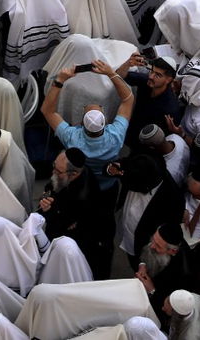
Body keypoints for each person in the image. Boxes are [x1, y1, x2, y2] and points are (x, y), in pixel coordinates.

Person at [43, 58, 135, 277]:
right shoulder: (115, 136)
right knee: (103, 220)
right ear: (105, 122)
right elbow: (128, 99)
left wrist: (60, 81)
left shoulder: (72, 138)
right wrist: (111, 74)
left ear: (82, 123)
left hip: (80, 188)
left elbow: (47, 111)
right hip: (107, 188)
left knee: (81, 220)